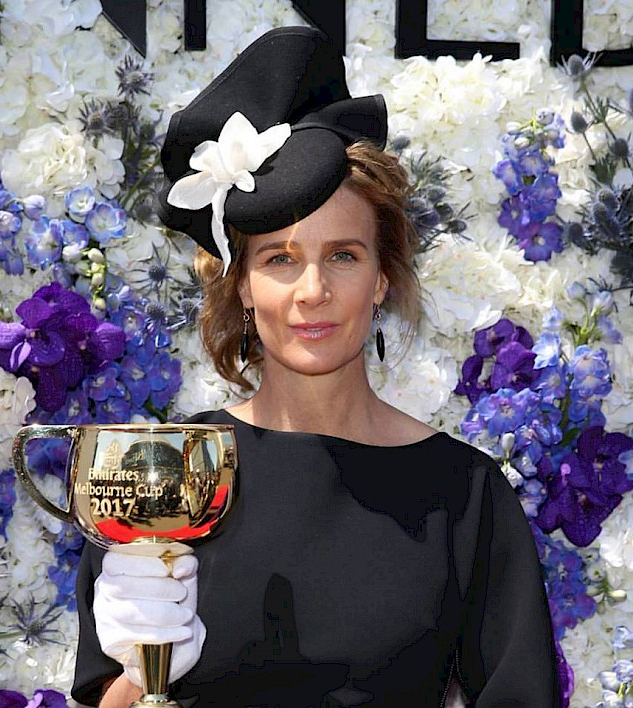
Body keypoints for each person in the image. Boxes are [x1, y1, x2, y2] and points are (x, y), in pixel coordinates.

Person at [72, 26, 561, 707]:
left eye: (342, 256)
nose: (313, 291)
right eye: (280, 259)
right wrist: (140, 670)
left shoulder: (466, 495)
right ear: (243, 286)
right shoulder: (164, 474)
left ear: (381, 278)